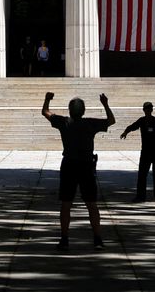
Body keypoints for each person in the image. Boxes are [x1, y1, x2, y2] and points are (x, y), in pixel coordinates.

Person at [42, 91, 115, 250]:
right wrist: (105, 104)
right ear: (83, 111)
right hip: (86, 166)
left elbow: (45, 112)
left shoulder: (64, 122)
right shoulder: (90, 123)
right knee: (91, 204)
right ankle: (97, 238)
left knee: (66, 203)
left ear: (69, 110)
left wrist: (47, 99)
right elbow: (111, 120)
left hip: (69, 165)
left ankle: (64, 238)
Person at [120, 101, 155, 202]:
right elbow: (133, 126)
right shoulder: (142, 120)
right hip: (146, 151)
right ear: (144, 110)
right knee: (142, 174)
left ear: (152, 110)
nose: (148, 110)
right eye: (146, 109)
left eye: (150, 108)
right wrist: (125, 132)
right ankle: (140, 196)